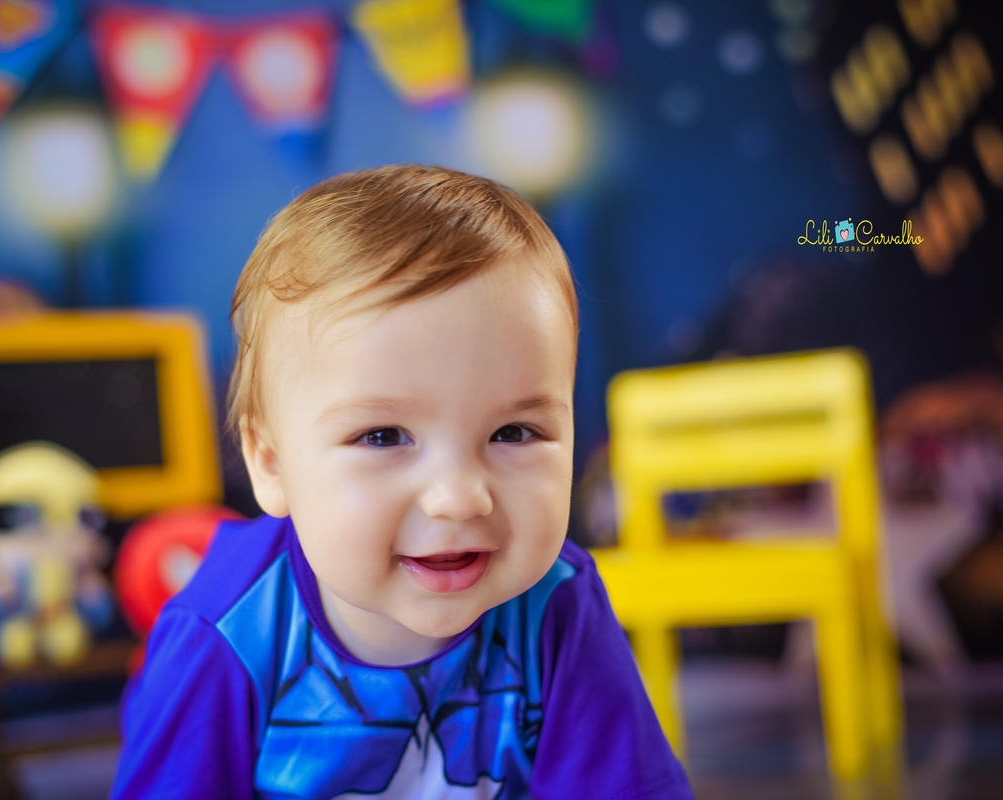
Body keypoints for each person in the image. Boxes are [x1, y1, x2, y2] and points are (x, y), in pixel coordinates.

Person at [112, 165, 693, 799]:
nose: (459, 496)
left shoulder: (558, 604)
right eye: (384, 437)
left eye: (514, 433)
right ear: (271, 462)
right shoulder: (222, 635)